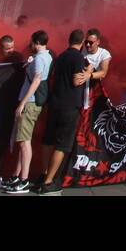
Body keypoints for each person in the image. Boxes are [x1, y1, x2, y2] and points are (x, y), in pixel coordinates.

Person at [37, 29, 89, 195]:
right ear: (82, 43)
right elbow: (76, 80)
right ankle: (48, 182)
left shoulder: (60, 56)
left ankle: (43, 174)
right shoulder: (78, 57)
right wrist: (88, 73)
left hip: (55, 103)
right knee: (62, 144)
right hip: (69, 107)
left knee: (48, 140)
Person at [2, 30, 51, 194]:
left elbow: (37, 80)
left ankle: (23, 179)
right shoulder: (46, 57)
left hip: (30, 103)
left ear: (36, 42)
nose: (30, 45)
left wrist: (22, 103)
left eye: (32, 42)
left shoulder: (39, 58)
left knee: (24, 142)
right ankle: (17, 176)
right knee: (23, 139)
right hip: (33, 103)